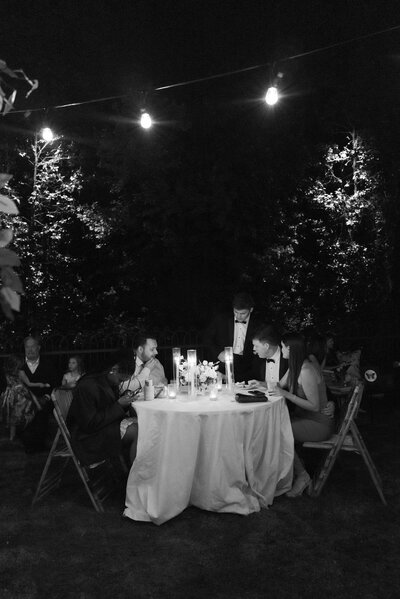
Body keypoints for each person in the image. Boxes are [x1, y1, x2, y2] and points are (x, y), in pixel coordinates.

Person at [274, 332, 334, 497]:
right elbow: (278, 385)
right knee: (274, 427)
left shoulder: (306, 370)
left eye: (283, 347)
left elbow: (314, 406)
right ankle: (288, 472)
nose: (282, 350)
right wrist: (258, 384)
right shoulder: (296, 366)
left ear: (290, 349)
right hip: (306, 418)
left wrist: (286, 395)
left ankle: (302, 475)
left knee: (278, 433)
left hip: (319, 423)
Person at [67, 350, 152, 466]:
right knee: (137, 431)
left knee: (145, 425)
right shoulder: (88, 386)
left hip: (103, 427)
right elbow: (89, 423)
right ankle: (135, 476)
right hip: (88, 437)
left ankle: (141, 470)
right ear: (114, 370)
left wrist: (123, 401)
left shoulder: (105, 381)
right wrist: (119, 405)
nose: (119, 384)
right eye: (120, 380)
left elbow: (107, 406)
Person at [203, 292, 260, 382]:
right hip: (224, 364)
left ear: (251, 310)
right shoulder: (221, 320)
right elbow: (207, 339)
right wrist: (218, 353)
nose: (238, 316)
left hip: (247, 368)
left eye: (243, 313)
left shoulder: (257, 324)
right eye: (236, 312)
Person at [18, 335, 57, 452]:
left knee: (41, 412)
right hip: (23, 402)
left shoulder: (49, 365)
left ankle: (40, 444)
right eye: (27, 347)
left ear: (38, 348)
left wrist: (46, 397)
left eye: (32, 347)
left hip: (43, 400)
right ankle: (28, 445)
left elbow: (54, 383)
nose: (29, 350)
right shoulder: (19, 366)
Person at [2, 355, 37, 441]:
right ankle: (13, 435)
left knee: (15, 414)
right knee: (14, 414)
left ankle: (14, 434)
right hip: (15, 395)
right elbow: (17, 386)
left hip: (15, 395)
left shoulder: (14, 373)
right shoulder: (11, 374)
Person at [248, 324, 288, 388]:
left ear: (266, 346)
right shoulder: (257, 360)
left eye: (256, 346)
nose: (254, 349)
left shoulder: (288, 359)